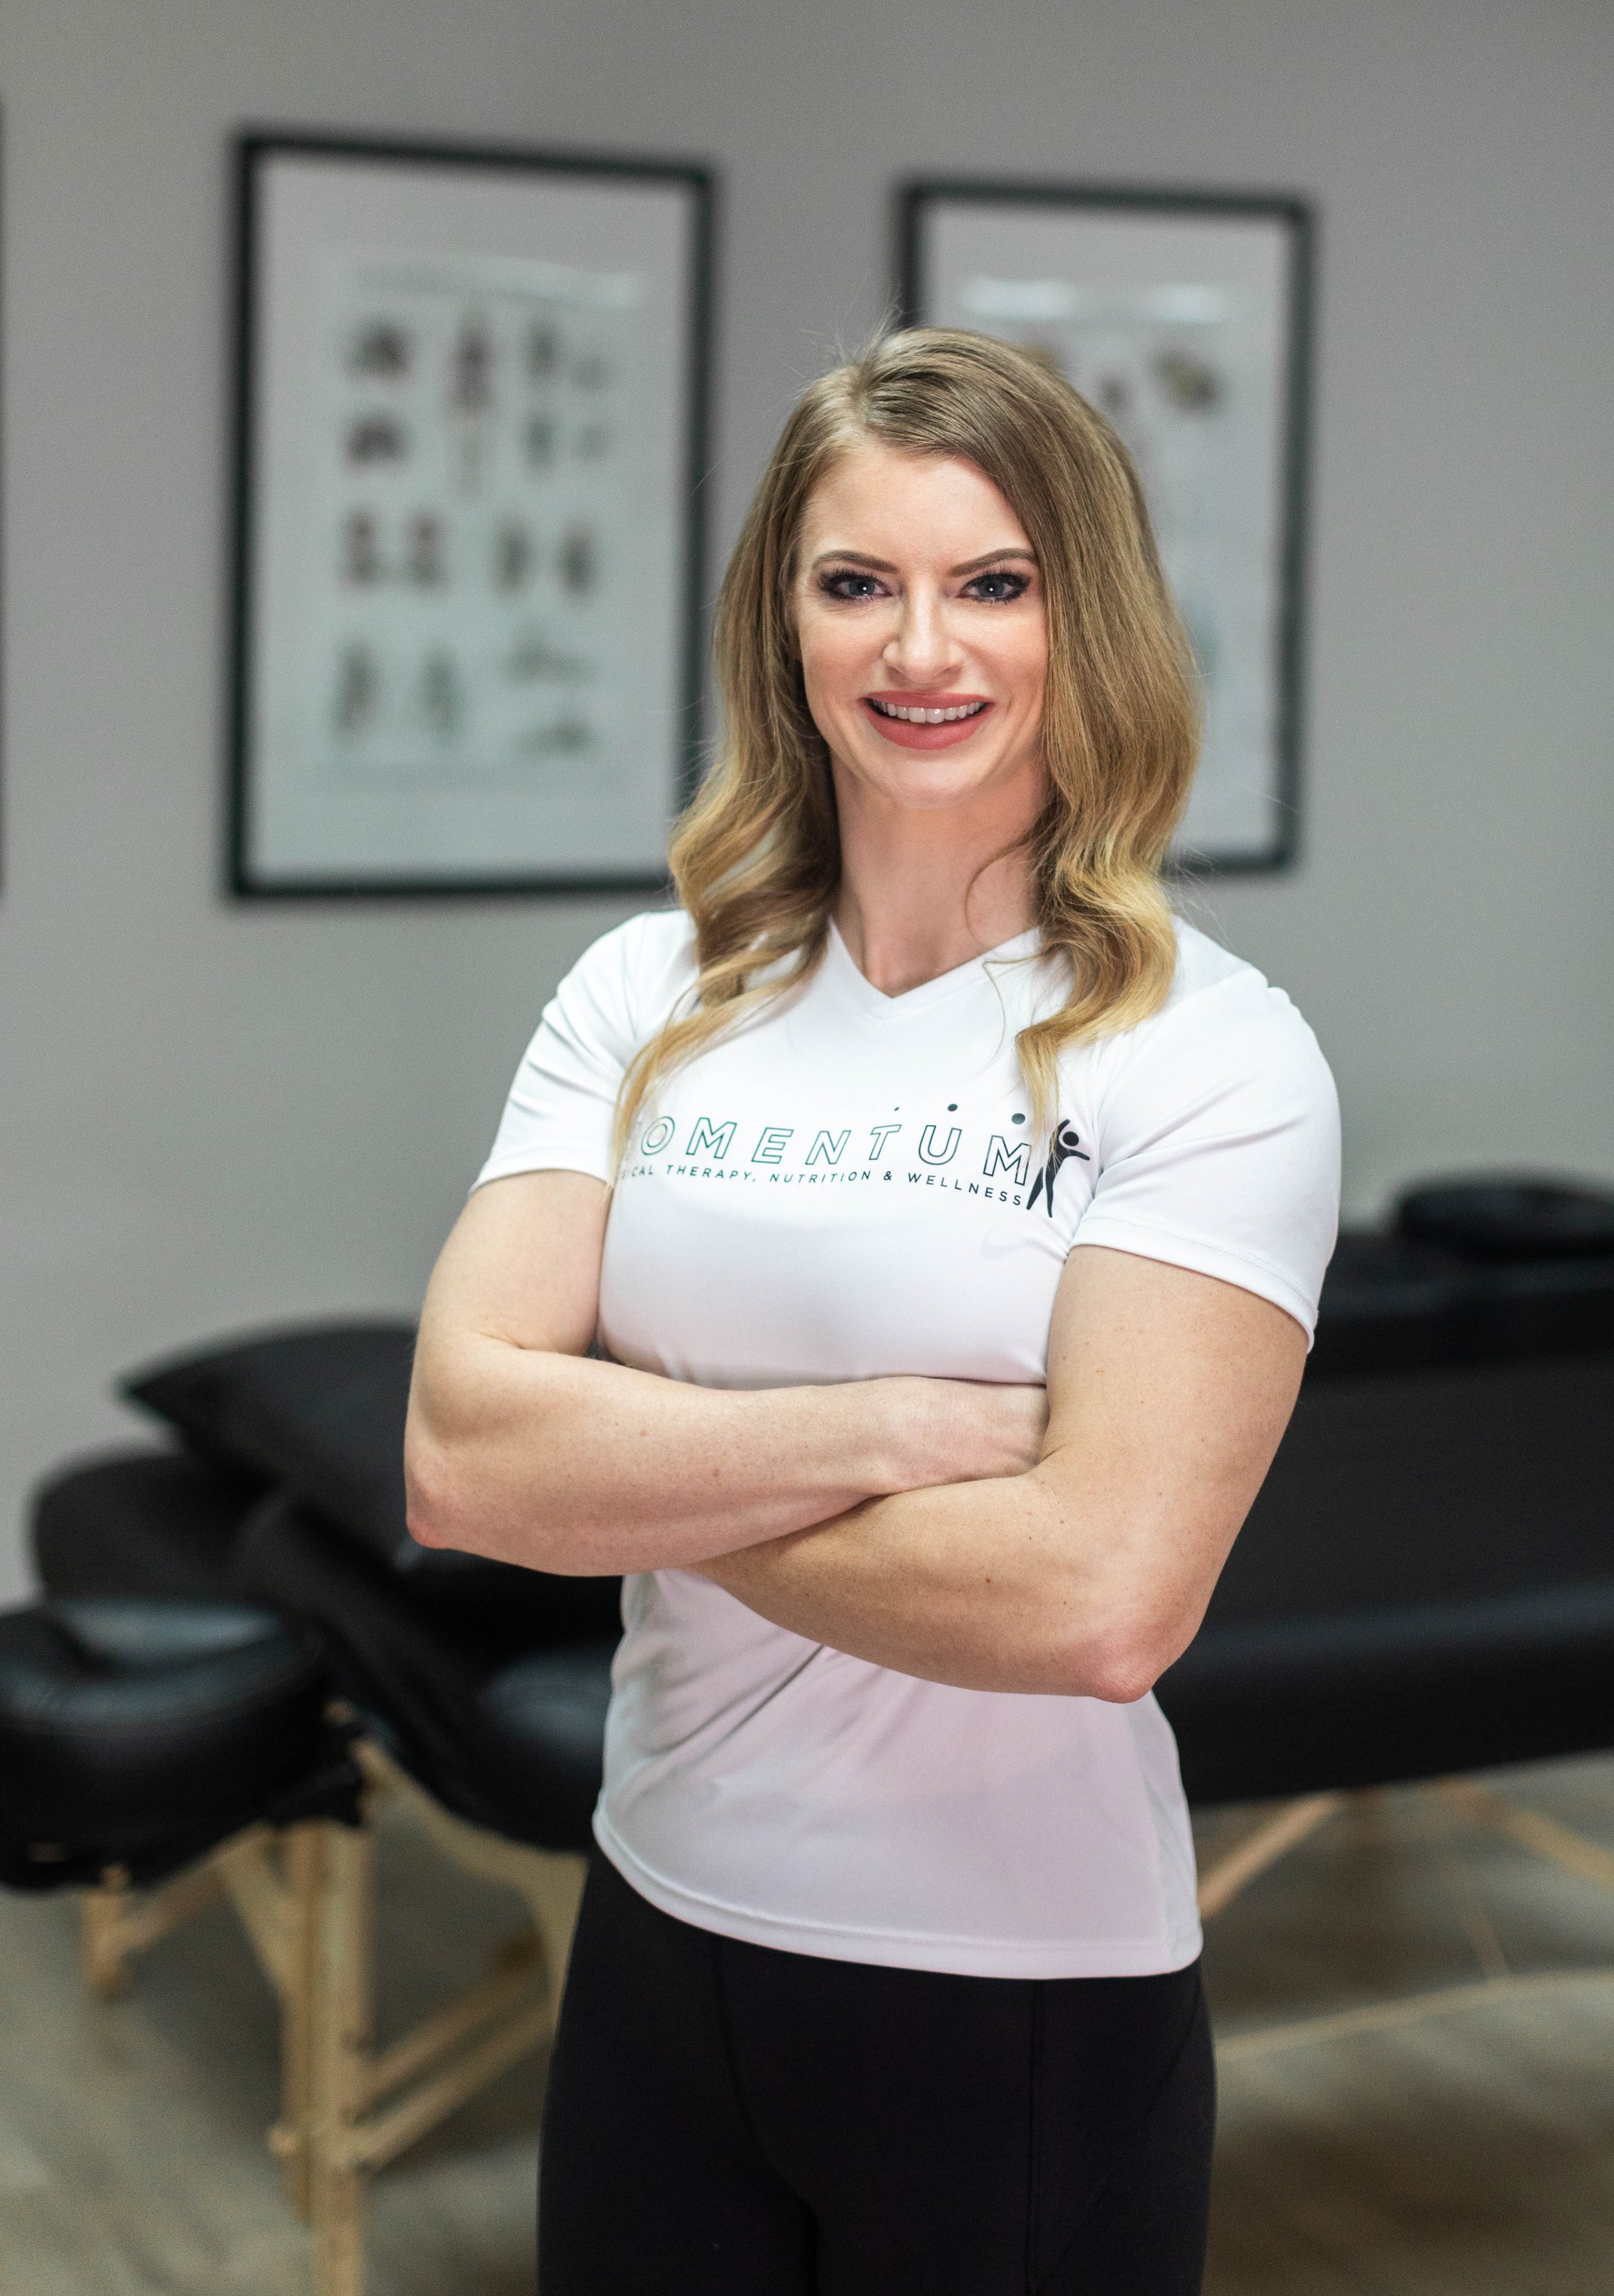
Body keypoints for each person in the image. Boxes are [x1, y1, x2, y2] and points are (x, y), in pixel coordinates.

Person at [407, 327, 1340, 2295]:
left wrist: (633, 1472)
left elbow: (1095, 1606)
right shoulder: (643, 992)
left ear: (1083, 617)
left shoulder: (1210, 1054)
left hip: (1012, 1989)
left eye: (992, 583)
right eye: (860, 584)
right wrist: (872, 1435)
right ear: (788, 625)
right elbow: (461, 1461)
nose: (924, 649)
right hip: (659, 1930)